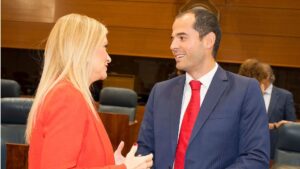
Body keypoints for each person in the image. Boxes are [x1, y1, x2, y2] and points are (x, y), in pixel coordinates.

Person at [137, 8, 270, 169]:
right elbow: (144, 151)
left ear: (208, 40)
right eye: (172, 38)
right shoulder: (160, 92)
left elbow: (255, 158)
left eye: (182, 38)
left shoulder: (245, 91)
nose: (173, 46)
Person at [25, 14, 153, 169]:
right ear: (84, 50)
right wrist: (125, 168)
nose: (109, 58)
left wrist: (110, 161)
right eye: (104, 47)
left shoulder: (70, 94)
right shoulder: (67, 97)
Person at [259, 63, 297, 159]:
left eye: (257, 75)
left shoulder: (285, 96)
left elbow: (291, 124)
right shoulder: (250, 93)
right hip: (250, 146)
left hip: (274, 149)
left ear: (266, 76)